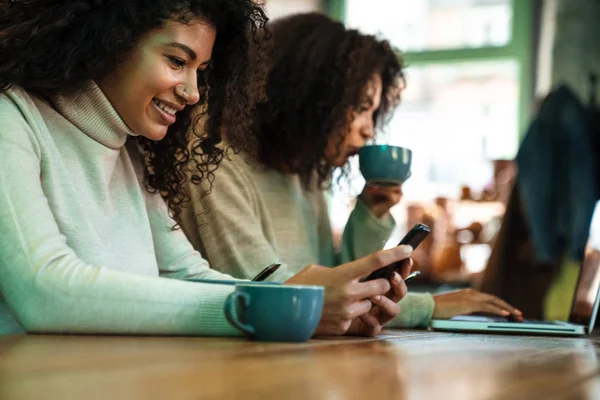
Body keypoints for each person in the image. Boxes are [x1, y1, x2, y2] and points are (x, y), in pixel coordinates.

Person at [0, 1, 412, 337]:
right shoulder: (11, 116)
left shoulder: (130, 152)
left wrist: (309, 305)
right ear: (109, 41)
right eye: (177, 61)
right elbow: (44, 290)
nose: (194, 93)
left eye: (201, 72)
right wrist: (269, 309)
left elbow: (188, 274)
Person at [180, 12, 523, 327]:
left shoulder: (305, 174)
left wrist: (368, 218)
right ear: (307, 94)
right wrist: (429, 307)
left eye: (373, 113)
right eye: (360, 108)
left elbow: (333, 284)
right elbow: (271, 293)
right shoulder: (213, 159)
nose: (369, 129)